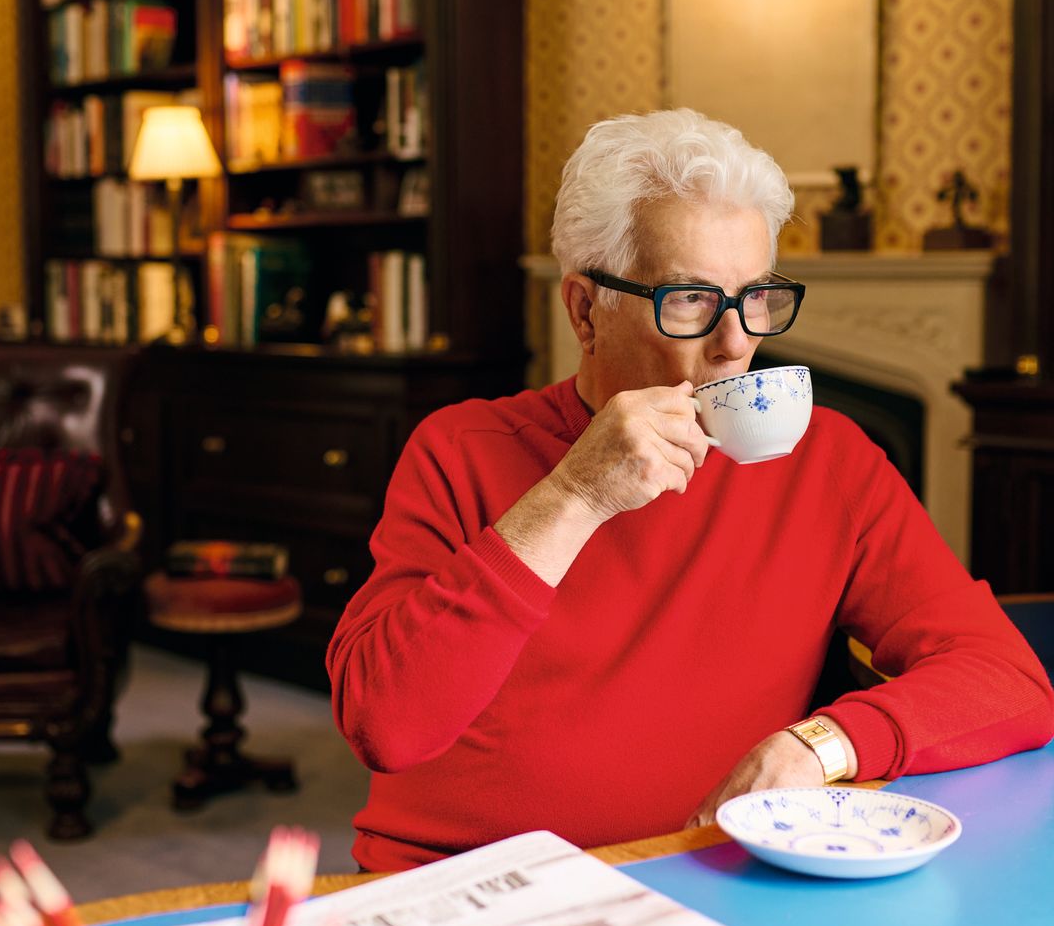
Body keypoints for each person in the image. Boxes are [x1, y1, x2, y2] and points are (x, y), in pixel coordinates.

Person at [327, 108, 1054, 873]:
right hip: (468, 886)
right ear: (585, 309)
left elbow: (1008, 680)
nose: (738, 342)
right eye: (692, 300)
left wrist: (821, 746)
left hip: (705, 884)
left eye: (755, 298)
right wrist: (577, 494)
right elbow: (386, 724)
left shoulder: (829, 461)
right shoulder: (461, 449)